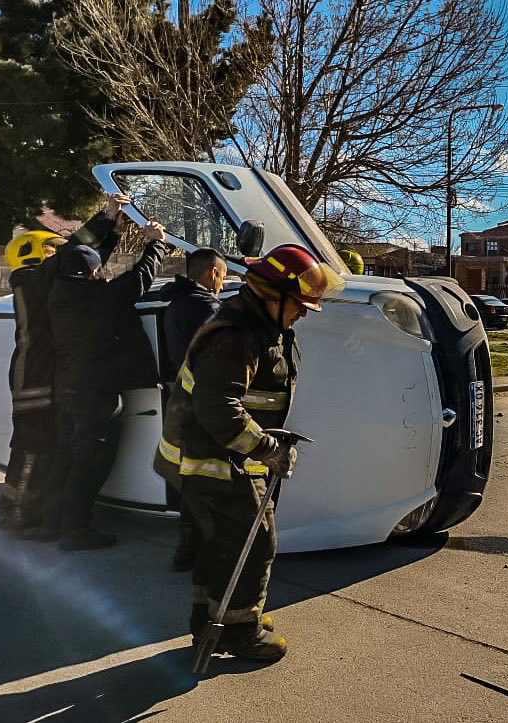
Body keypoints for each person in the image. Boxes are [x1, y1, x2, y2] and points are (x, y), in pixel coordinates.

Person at [156, 244, 335, 664]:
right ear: (273, 296)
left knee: (219, 546)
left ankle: (214, 620)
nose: (304, 314)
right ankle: (239, 631)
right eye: (299, 304)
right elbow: (219, 408)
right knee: (252, 544)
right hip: (217, 462)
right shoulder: (237, 336)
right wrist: (269, 449)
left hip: (215, 458)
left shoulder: (254, 324)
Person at [0, 195, 130, 539]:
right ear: (39, 255)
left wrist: (112, 234)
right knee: (32, 447)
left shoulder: (40, 282)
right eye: (54, 250)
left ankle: (38, 513)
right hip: (35, 379)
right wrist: (104, 217)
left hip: (37, 376)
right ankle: (17, 516)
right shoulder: (32, 280)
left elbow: (86, 262)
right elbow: (76, 252)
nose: (61, 255)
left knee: (46, 448)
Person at [43, 220, 172, 550]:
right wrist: (156, 243)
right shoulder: (102, 301)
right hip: (95, 394)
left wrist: (113, 232)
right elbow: (140, 278)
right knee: (90, 463)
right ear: (93, 276)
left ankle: (51, 523)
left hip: (67, 388)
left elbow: (84, 261)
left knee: (66, 457)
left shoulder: (57, 293)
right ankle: (76, 531)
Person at [160, 248, 228, 571]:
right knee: (213, 480)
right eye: (224, 277)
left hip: (181, 400)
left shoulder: (175, 304)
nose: (222, 284)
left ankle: (186, 550)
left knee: (191, 477)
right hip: (204, 401)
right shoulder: (207, 306)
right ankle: (205, 552)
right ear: (213, 273)